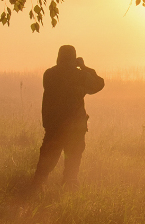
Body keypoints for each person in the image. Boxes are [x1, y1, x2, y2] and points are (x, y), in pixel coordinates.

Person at [32, 45, 104, 185]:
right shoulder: (80, 75)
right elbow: (99, 84)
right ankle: (68, 189)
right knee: (73, 161)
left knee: (46, 161)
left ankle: (36, 189)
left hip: (54, 126)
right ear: (73, 58)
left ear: (59, 57)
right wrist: (83, 67)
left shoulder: (49, 74)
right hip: (75, 127)